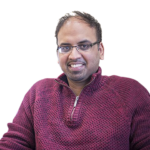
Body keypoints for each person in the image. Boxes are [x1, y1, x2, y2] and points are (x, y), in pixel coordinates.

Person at [0, 10, 150, 150]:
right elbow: (12, 144)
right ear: (57, 55)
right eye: (65, 47)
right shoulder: (38, 92)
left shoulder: (132, 92)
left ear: (101, 51)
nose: (74, 56)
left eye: (84, 46)